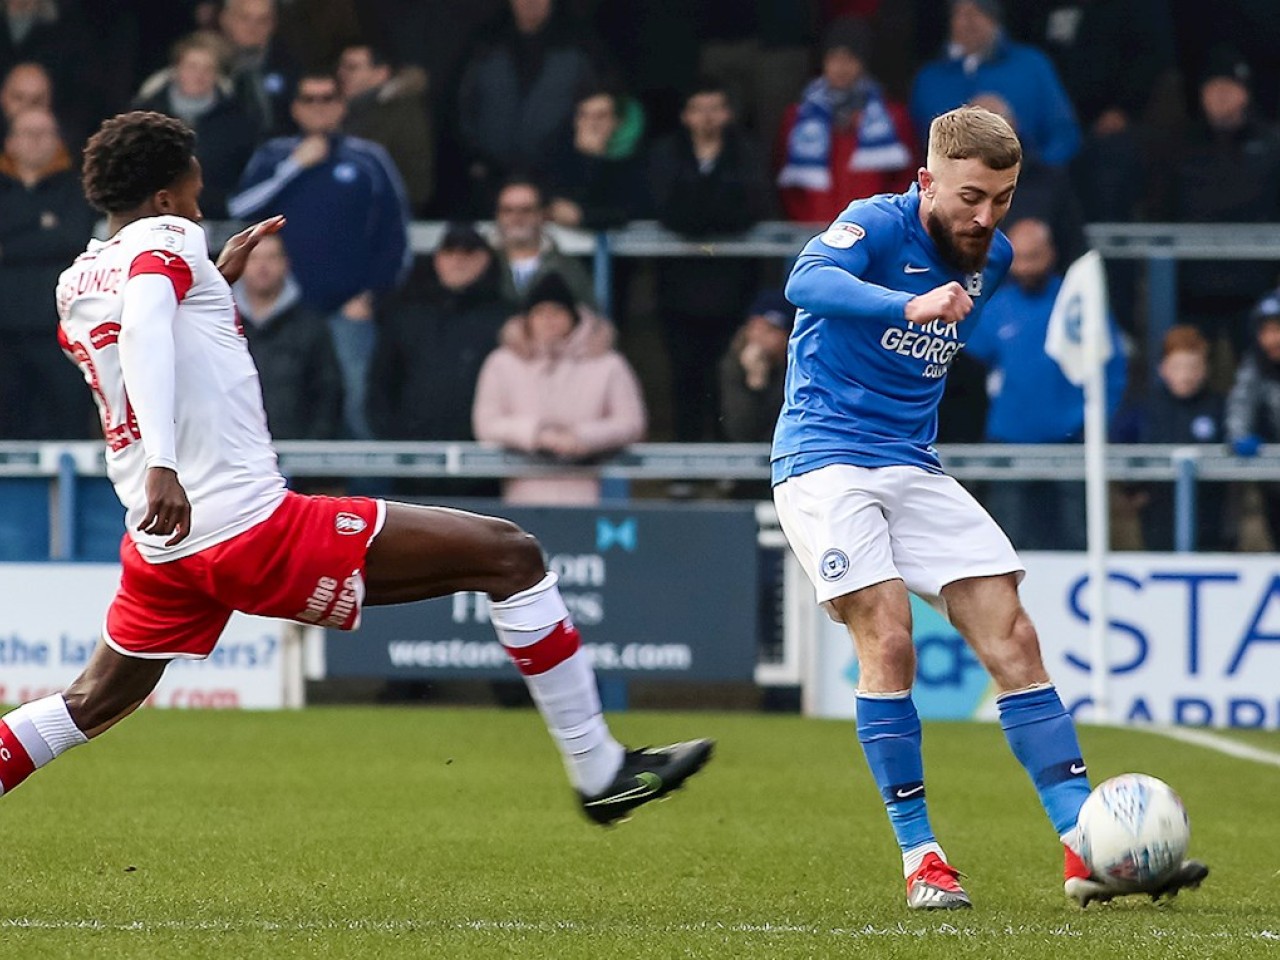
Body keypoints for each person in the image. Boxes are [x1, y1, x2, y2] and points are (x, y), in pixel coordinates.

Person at [0, 110, 712, 830]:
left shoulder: (78, 280)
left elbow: (143, 334)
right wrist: (164, 460)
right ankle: (598, 772)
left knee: (89, 701)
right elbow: (148, 324)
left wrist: (210, 284)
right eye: (193, 191)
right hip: (242, 523)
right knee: (512, 556)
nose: (199, 207)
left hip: (164, 544)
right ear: (162, 198)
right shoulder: (168, 240)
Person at [772, 105, 1206, 909]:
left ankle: (1087, 847)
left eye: (1001, 199)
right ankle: (922, 858)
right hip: (825, 458)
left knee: (1016, 637)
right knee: (889, 638)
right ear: (926, 180)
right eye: (970, 196)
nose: (985, 217)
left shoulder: (994, 257)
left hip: (913, 463)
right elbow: (804, 281)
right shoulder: (876, 223)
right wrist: (904, 305)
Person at [229, 70, 412, 440]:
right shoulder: (274, 155)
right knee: (273, 407)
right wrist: (295, 166)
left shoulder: (369, 158)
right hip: (282, 314)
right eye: (309, 99)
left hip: (348, 311)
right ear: (295, 108)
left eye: (327, 98)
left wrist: (372, 296)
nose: (318, 107)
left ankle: (364, 481)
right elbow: (239, 208)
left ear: (341, 106)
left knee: (356, 406)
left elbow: (396, 236)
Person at [964, 218, 1127, 552]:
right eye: (1019, 258)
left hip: (1070, 441)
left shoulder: (1078, 302)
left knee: (1077, 540)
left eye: (1033, 256)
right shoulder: (996, 306)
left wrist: (1096, 422)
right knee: (1006, 544)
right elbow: (965, 366)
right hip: (1009, 443)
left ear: (1051, 254)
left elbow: (1111, 367)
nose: (1025, 267)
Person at [648, 77, 772, 441]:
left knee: (730, 374)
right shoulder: (666, 153)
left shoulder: (746, 152)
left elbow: (750, 208)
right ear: (685, 116)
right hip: (678, 288)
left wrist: (698, 210)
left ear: (728, 113)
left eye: (715, 108)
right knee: (685, 376)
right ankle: (686, 456)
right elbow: (666, 210)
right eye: (698, 109)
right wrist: (713, 209)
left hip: (735, 286)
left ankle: (726, 457)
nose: (707, 118)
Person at [472, 272, 646, 505]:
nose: (548, 320)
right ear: (528, 319)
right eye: (540, 312)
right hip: (522, 495)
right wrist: (537, 434)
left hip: (588, 495)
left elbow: (631, 422)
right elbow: (487, 423)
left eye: (557, 312)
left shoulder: (607, 363)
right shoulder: (502, 363)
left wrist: (582, 437)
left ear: (573, 317)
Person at [367, 221, 511, 458]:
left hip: (486, 459)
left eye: (468, 253)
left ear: (485, 259)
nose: (458, 261)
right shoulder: (405, 315)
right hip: (413, 458)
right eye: (450, 252)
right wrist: (395, 441)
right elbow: (381, 383)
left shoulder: (507, 321)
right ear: (437, 259)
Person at [0, 105, 96, 440]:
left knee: (67, 424)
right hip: (4, 331)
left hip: (59, 330)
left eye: (45, 133)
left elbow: (73, 238)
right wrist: (41, 226)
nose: (36, 141)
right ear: (10, 141)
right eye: (28, 133)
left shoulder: (78, 188)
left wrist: (9, 243)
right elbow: (53, 240)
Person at [909, 0, 1080, 169]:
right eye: (960, 13)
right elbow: (916, 146)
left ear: (995, 19)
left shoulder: (1031, 65)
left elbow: (1065, 135)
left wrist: (1032, 164)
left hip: (1027, 178)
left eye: (979, 11)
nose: (969, 21)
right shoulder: (929, 78)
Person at [776, 16, 915, 224]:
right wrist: (803, 219)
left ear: (863, 63)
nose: (841, 67)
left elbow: (905, 179)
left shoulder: (892, 116)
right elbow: (785, 183)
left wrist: (886, 222)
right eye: (833, 58)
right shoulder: (797, 117)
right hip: (810, 231)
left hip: (872, 231)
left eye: (849, 59)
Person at [1114, 325, 1229, 552]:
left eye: (1193, 367)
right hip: (1158, 516)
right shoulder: (1145, 408)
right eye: (1177, 367)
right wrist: (1132, 488)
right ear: (1163, 368)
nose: (1185, 376)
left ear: (1205, 369)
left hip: (1209, 518)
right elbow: (1119, 445)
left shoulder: (1219, 408)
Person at [132, 31, 257, 219]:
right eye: (192, 66)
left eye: (208, 69)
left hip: (216, 220)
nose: (199, 75)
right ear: (176, 69)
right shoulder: (143, 116)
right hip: (150, 217)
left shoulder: (237, 122)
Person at [231, 231, 343, 441]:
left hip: (299, 452)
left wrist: (314, 445)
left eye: (271, 257)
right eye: (253, 258)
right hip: (234, 451)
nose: (262, 267)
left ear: (286, 263)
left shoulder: (311, 326)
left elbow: (328, 392)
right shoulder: (220, 324)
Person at [337, 42, 434, 216]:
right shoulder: (349, 111)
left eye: (352, 68)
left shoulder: (400, 112)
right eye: (341, 67)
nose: (341, 74)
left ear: (380, 73)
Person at [1226, 290, 1280, 550]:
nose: (1272, 339)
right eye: (1265, 331)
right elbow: (1241, 404)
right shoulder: (1256, 363)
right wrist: (1239, 436)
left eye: (1277, 330)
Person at [491, 176, 595, 306]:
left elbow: (590, 313)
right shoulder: (481, 264)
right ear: (497, 215)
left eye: (526, 210)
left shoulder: (569, 267)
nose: (516, 218)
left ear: (542, 214)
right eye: (508, 211)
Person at [718, 289, 793, 444]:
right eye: (754, 327)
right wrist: (755, 383)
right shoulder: (735, 363)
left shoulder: (799, 367)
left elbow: (784, 429)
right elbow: (741, 433)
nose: (758, 336)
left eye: (769, 330)